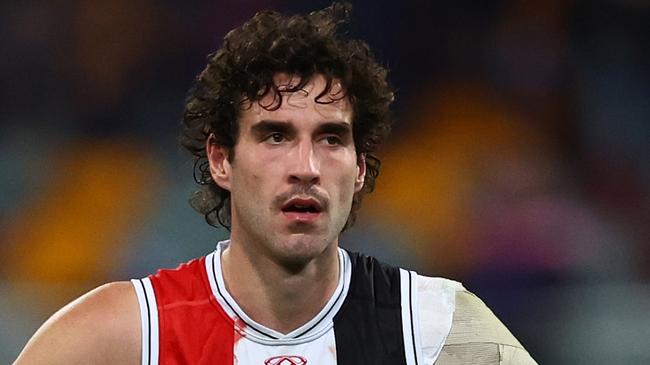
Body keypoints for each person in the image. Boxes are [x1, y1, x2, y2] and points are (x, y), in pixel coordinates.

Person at [15, 3, 536, 364]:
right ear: (221, 159)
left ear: (360, 168)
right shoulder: (124, 333)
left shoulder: (435, 325)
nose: (306, 166)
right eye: (275, 136)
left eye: (331, 138)